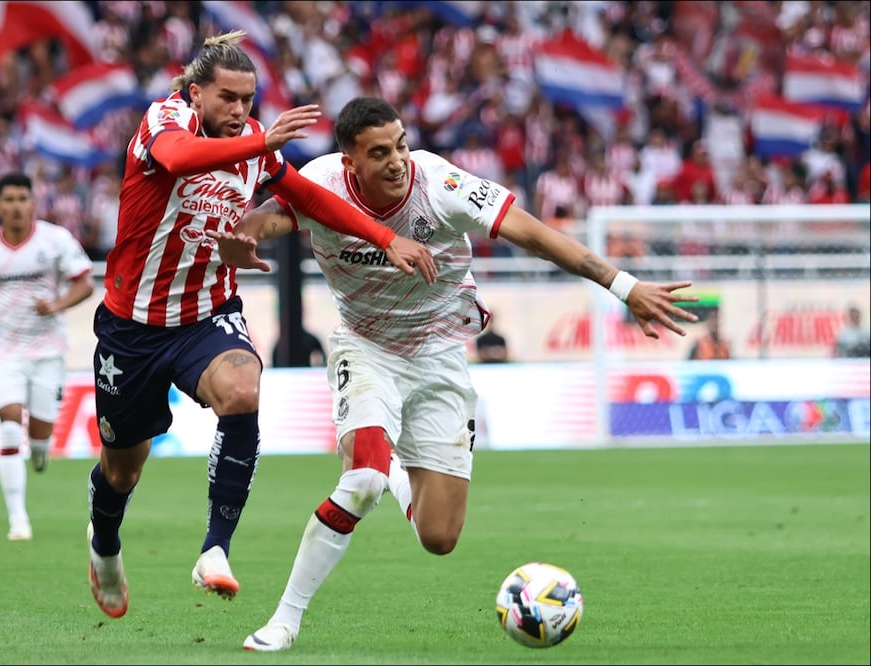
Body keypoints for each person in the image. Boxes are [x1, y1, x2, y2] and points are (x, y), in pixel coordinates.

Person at [209, 96, 699, 652]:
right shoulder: (321, 183)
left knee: (438, 537)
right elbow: (267, 219)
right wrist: (239, 239)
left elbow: (534, 234)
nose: (397, 160)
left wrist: (624, 286)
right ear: (351, 164)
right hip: (365, 347)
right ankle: (286, 620)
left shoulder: (441, 185)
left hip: (440, 353)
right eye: (379, 152)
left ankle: (393, 470)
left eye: (400, 144)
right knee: (362, 479)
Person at [84, 32, 436, 621]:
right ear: (195, 93)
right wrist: (258, 141)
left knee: (244, 390)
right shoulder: (162, 121)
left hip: (207, 314)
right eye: (227, 98)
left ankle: (214, 549)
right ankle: (104, 546)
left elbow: (311, 200)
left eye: (248, 99)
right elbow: (176, 160)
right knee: (123, 469)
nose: (239, 111)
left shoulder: (253, 144)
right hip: (134, 326)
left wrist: (386, 236)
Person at [0, 172, 95, 541]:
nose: (16, 206)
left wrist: (56, 304)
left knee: (40, 433)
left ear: (32, 203)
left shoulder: (55, 240)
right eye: (9, 200)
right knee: (8, 423)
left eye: (23, 199)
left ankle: (39, 453)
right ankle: (18, 518)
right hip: (2, 349)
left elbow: (85, 283)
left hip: (47, 350)